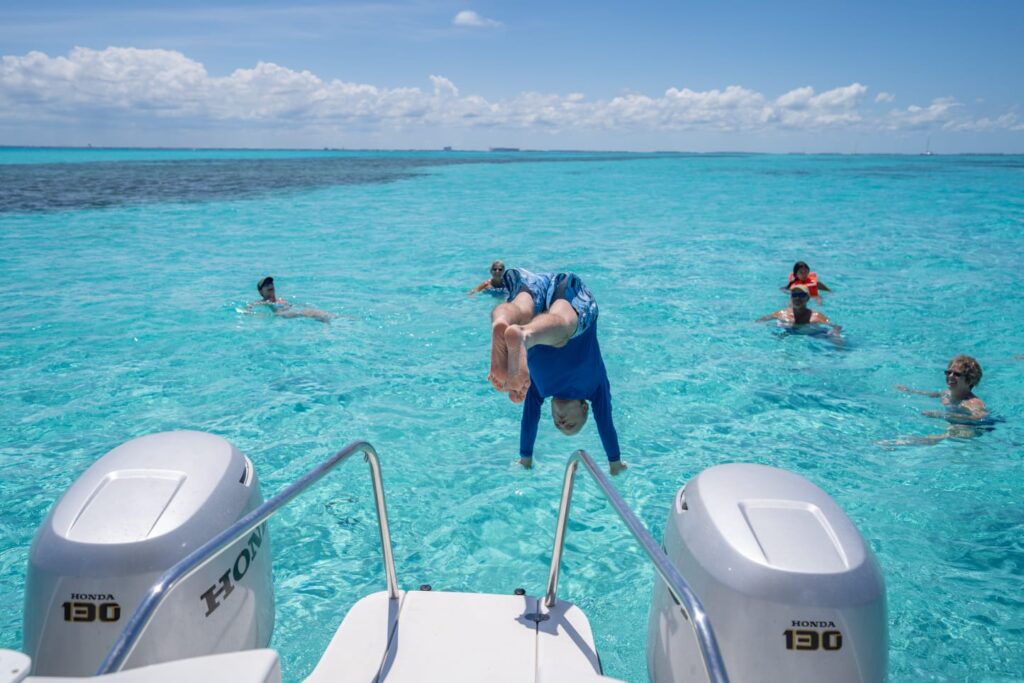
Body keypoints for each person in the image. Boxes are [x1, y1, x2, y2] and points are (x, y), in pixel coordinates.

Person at [487, 268, 627, 475]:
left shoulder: (538, 390)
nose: (562, 423)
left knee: (520, 310)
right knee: (563, 327)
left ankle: (502, 322)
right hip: (569, 297)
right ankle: (524, 336)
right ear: (584, 409)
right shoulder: (595, 390)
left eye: (558, 424)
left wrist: (526, 458)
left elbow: (529, 421)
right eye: (571, 424)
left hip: (537, 302)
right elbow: (605, 425)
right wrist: (614, 462)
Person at [887, 355, 990, 445]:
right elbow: (933, 394)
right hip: (954, 424)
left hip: (971, 428)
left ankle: (899, 443)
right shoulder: (947, 393)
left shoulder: (972, 402)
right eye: (948, 372)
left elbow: (979, 418)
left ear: (970, 379)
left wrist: (942, 415)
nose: (950, 376)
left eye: (957, 374)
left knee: (945, 436)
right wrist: (910, 391)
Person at [759, 285, 841, 334]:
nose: (797, 298)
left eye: (801, 295)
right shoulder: (782, 314)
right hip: (787, 333)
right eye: (795, 295)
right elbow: (761, 321)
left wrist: (835, 334)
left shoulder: (816, 316)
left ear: (807, 298)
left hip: (811, 335)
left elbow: (836, 327)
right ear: (791, 297)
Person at [248, 276, 332, 323]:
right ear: (260, 292)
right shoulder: (261, 303)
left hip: (291, 313)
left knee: (319, 313)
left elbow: (293, 305)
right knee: (313, 313)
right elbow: (247, 311)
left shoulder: (280, 300)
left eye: (270, 283)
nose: (270, 285)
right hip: (282, 315)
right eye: (266, 285)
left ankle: (328, 321)